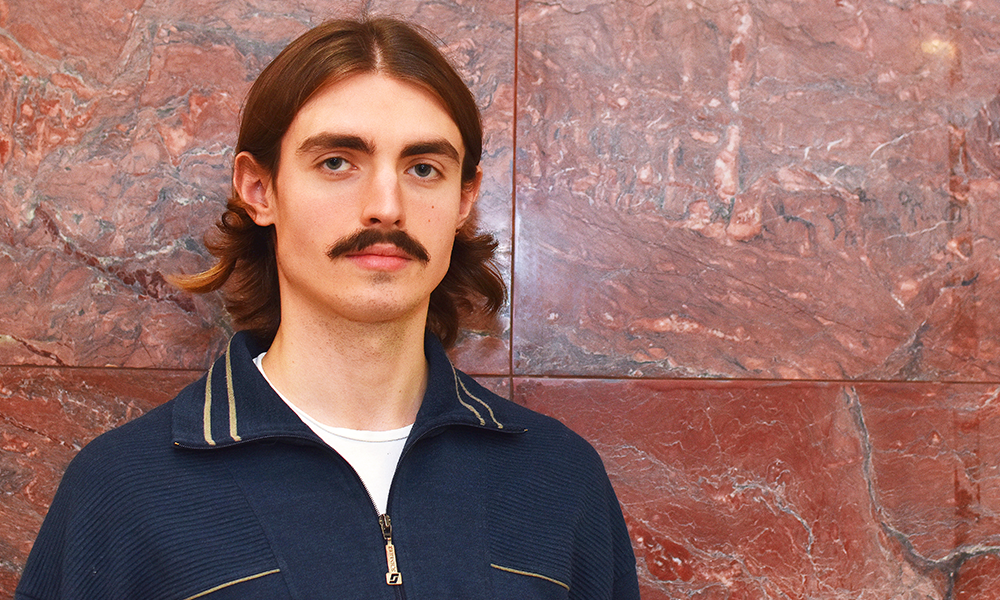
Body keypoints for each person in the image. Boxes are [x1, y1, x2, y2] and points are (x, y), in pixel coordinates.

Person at [15, 16, 640, 600]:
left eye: (423, 168)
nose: (386, 206)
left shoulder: (560, 481)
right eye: (337, 162)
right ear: (260, 189)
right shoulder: (124, 492)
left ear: (464, 200)